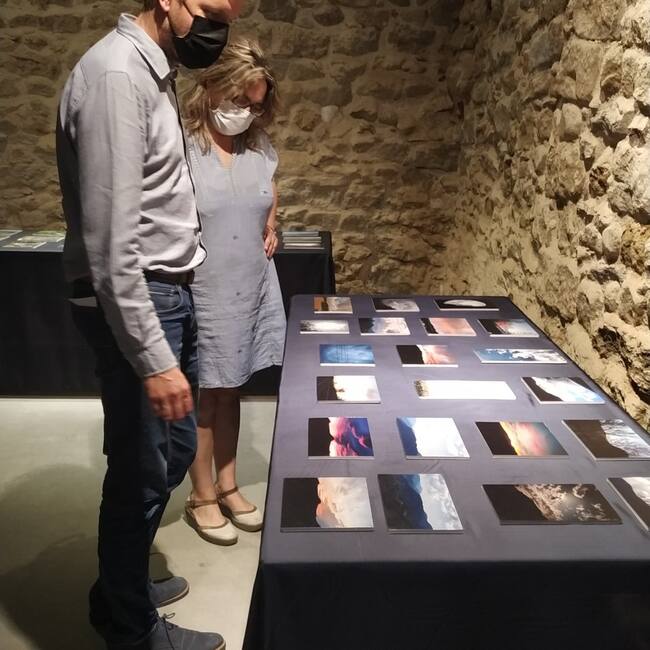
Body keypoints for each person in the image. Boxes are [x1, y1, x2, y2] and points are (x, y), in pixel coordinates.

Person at [56, 1, 243, 648]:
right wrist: (152, 357)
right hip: (141, 298)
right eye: (213, 11)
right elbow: (111, 242)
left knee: (175, 452)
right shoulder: (116, 76)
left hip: (168, 293)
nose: (221, 31)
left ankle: (121, 583)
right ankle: (130, 628)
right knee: (140, 470)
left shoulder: (152, 71)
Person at [179, 39, 286, 544]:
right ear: (212, 87)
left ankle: (228, 484)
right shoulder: (184, 147)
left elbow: (267, 191)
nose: (246, 112)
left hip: (250, 282)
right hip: (205, 287)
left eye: (256, 105)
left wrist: (272, 222)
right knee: (206, 394)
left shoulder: (258, 147)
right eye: (240, 100)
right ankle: (200, 495)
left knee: (233, 388)